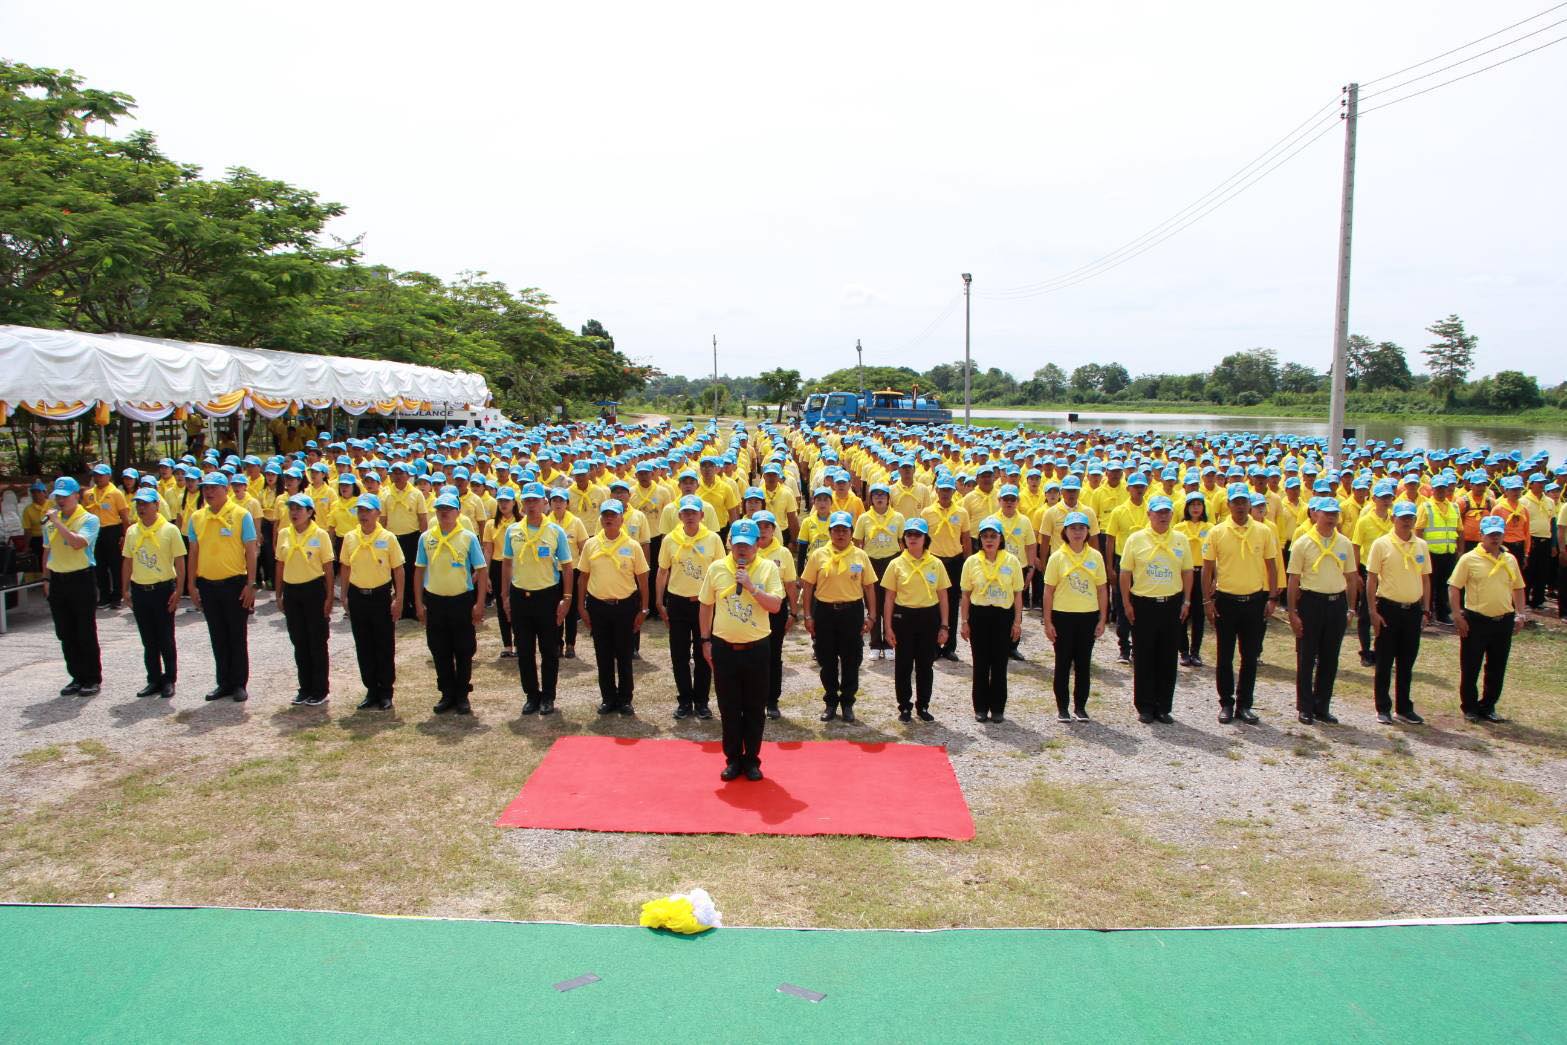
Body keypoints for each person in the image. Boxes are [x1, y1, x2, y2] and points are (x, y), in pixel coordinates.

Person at [699, 518, 785, 781]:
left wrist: (751, 586)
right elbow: (705, 605)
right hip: (724, 648)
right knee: (729, 706)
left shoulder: (768, 568)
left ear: (758, 544)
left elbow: (775, 606)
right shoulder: (716, 568)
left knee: (755, 707)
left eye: (748, 545)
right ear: (730, 543)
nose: (742, 550)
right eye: (738, 544)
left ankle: (752, 761)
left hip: (757, 649)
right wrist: (705, 641)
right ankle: (733, 759)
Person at [1201, 482, 1280, 725]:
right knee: (1225, 656)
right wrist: (1207, 601)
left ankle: (1245, 704)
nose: (1240, 506)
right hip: (1226, 600)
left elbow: (1271, 565)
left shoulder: (1263, 531)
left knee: (1250, 655)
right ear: (1228, 504)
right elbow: (1207, 569)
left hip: (1254, 601)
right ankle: (1226, 702)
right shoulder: (1216, 532)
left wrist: (1273, 597)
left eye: (1244, 502)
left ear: (1249, 504)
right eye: (1235, 502)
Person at [1118, 495, 1193, 725]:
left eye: (1166, 512)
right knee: (1144, 655)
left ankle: (1163, 706)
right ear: (1149, 514)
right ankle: (1145, 705)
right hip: (1144, 604)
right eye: (1158, 512)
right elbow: (1125, 573)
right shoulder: (1136, 539)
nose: (1163, 516)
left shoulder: (1180, 539)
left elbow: (1188, 571)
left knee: (1168, 656)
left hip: (1171, 604)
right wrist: (1127, 603)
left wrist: (1187, 601)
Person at [499, 482, 573, 715]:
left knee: (549, 649)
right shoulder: (513, 531)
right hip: (521, 595)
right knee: (525, 649)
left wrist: (567, 597)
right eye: (527, 500)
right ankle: (531, 694)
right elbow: (507, 563)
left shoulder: (555, 531)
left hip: (547, 596)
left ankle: (548, 696)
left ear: (545, 503)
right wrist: (505, 594)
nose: (531, 505)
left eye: (535, 500)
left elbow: (567, 567)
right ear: (522, 504)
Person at [186, 471, 259, 702]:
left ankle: (239, 683)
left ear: (225, 490)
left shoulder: (241, 515)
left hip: (235, 584)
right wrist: (192, 585)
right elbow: (194, 552)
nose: (208, 492)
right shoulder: (197, 517)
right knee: (217, 634)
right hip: (207, 584)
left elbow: (250, 550)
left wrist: (251, 584)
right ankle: (223, 682)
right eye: (205, 488)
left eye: (213, 488)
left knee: (236, 634)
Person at [415, 491, 488, 715]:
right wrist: (418, 602)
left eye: (448, 508)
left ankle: (462, 693)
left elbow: (481, 571)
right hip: (435, 601)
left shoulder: (468, 537)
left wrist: (479, 603)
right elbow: (419, 571)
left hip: (461, 600)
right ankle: (446, 693)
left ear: (458, 512)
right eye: (440, 509)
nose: (444, 512)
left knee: (464, 649)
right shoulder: (426, 537)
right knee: (439, 648)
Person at [1286, 498, 1358, 725]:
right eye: (1326, 513)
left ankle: (1322, 706)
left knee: (1330, 657)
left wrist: (1351, 608)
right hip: (1311, 602)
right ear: (1316, 515)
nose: (1331, 518)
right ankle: (1305, 706)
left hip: (1336, 603)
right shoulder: (1303, 543)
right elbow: (1293, 579)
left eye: (1334, 514)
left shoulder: (1345, 543)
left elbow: (1351, 577)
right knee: (1307, 656)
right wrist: (1292, 612)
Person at [800, 511, 876, 722]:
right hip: (824, 611)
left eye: (845, 530)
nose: (840, 534)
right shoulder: (819, 555)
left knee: (852, 659)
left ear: (852, 532)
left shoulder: (860, 556)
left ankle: (848, 702)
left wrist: (871, 615)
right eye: (836, 530)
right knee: (827, 659)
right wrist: (807, 616)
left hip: (851, 611)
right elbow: (808, 586)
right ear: (830, 532)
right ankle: (831, 701)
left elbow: (869, 587)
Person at [576, 499, 650, 715]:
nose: (609, 519)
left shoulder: (632, 546)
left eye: (613, 515)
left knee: (625, 654)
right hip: (598, 606)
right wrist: (581, 606)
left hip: (625, 606)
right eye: (605, 515)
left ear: (621, 519)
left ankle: (626, 698)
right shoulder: (591, 544)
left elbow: (643, 580)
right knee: (603, 654)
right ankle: (608, 697)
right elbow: (583, 578)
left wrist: (644, 609)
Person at [1450, 515, 1526, 723]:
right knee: (1471, 665)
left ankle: (1488, 705)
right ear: (1481, 535)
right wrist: (1457, 614)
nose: (1495, 538)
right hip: (1477, 620)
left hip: (1503, 620)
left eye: (1498, 534)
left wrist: (1520, 614)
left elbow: (1518, 587)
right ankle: (1470, 707)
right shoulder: (1469, 559)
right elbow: (1454, 587)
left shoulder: (1510, 559)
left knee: (1497, 666)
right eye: (1491, 534)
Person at [1365, 501, 1433, 725]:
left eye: (1410, 518)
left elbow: (1425, 578)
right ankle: (1382, 707)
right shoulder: (1381, 544)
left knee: (1407, 660)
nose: (1406, 521)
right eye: (1402, 517)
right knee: (1384, 660)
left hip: (1412, 610)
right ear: (1393, 518)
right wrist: (1373, 612)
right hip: (1388, 608)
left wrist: (1425, 609)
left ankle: (1404, 707)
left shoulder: (1421, 545)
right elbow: (1372, 578)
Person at [656, 495, 723, 719]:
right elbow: (663, 571)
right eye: (686, 513)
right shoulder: (670, 540)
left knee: (705, 652)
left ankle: (702, 701)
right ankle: (684, 700)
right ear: (680, 516)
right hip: (677, 603)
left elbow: (722, 572)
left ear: (702, 516)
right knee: (679, 654)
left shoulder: (713, 539)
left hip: (704, 604)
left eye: (694, 512)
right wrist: (658, 601)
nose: (690, 516)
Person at [338, 493, 405, 711]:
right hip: (358, 595)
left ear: (377, 513)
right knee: (363, 644)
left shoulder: (388, 538)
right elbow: (346, 566)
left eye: (367, 510)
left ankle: (386, 691)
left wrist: (399, 599)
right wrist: (344, 594)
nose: (363, 515)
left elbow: (399, 569)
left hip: (380, 596)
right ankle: (371, 690)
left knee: (384, 644)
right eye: (360, 510)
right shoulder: (350, 537)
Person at [881, 517, 951, 722]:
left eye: (917, 534)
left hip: (928, 617)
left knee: (925, 665)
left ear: (925, 538)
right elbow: (889, 598)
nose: (913, 538)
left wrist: (944, 625)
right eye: (909, 534)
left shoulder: (936, 563)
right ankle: (904, 706)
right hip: (903, 617)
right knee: (903, 664)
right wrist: (888, 626)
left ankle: (923, 706)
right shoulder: (895, 564)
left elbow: (943, 596)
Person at [119, 487, 185, 699]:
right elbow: (127, 561)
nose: (141, 508)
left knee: (165, 637)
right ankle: (153, 678)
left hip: (163, 589)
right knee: (148, 639)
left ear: (156, 505)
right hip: (140, 590)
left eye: (146, 504)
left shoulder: (169, 530)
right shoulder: (132, 531)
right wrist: (125, 588)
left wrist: (179, 589)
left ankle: (170, 678)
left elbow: (180, 561)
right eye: (138, 504)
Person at [1042, 511, 1107, 722]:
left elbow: (1102, 589)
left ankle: (1081, 707)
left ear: (1088, 531)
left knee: (1083, 663)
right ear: (1065, 532)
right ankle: (1062, 708)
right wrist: (1048, 621)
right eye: (1073, 528)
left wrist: (1102, 618)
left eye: (1081, 528)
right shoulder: (1057, 557)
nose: (1077, 532)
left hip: (1087, 616)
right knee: (1062, 663)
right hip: (1063, 616)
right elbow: (1048, 591)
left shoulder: (1095, 556)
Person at [41, 477, 103, 696]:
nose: (61, 500)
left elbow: (78, 543)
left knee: (85, 630)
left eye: (65, 496)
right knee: (65, 632)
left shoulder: (89, 519)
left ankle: (92, 678)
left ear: (77, 495)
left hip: (81, 579)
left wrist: (58, 523)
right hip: (58, 580)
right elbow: (47, 550)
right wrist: (46, 579)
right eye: (58, 496)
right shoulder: (51, 521)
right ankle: (76, 676)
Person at [959, 516, 1024, 723]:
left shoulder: (1011, 561)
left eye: (993, 536)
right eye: (985, 536)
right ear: (980, 539)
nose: (989, 540)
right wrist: (965, 621)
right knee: (980, 664)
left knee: (999, 664)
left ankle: (997, 708)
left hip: (1002, 616)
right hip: (979, 615)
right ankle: (980, 707)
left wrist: (1017, 622)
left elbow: (1017, 594)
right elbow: (966, 594)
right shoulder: (972, 561)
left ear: (1001, 539)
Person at [275, 493, 334, 707]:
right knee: (299, 640)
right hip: (292, 590)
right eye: (291, 508)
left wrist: (329, 597)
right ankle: (305, 687)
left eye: (299, 509)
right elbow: (280, 564)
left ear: (310, 512)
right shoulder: (284, 534)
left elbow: (328, 568)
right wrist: (278, 593)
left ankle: (320, 689)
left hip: (314, 590)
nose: (294, 513)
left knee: (317, 641)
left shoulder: (320, 534)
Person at [751, 509, 800, 720]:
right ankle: (753, 700)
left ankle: (772, 701)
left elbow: (790, 584)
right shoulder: (745, 550)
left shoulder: (783, 553)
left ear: (774, 530)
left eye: (767, 526)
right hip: (750, 612)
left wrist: (794, 612)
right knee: (751, 658)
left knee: (773, 656)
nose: (763, 531)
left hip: (775, 611)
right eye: (759, 527)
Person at [922, 475, 971, 662]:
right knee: (933, 604)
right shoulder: (927, 513)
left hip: (955, 561)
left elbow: (966, 538)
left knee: (951, 604)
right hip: (934, 561)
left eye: (948, 490)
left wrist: (966, 562)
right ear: (936, 490)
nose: (945, 493)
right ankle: (933, 645)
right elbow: (924, 539)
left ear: (953, 491)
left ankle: (949, 647)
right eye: (942, 489)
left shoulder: (962, 513)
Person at [853, 483, 904, 660]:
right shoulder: (864, 518)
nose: (880, 498)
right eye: (876, 495)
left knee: (891, 603)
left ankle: (890, 643)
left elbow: (902, 542)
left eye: (883, 495)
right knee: (873, 603)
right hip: (871, 562)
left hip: (892, 562)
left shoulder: (898, 517)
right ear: (871, 499)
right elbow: (857, 542)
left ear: (888, 498)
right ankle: (875, 643)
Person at [383, 462, 428, 618]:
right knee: (397, 571)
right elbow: (383, 518)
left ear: (408, 475)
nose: (397, 475)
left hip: (412, 537)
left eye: (400, 472)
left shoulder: (416, 494)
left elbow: (422, 518)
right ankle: (402, 606)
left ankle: (415, 605)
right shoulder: (386, 494)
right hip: (393, 538)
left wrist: (423, 540)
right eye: (394, 472)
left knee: (412, 571)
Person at [82, 463, 130, 607]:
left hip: (112, 530)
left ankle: (117, 596)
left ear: (109, 476)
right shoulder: (88, 494)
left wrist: (125, 535)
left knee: (115, 565)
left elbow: (124, 516)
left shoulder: (116, 493)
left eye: (101, 475)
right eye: (96, 475)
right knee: (99, 565)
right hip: (95, 531)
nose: (98, 478)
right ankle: (104, 596)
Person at [1415, 473, 1460, 625]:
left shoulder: (1454, 507)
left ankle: (1442, 613)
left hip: (1449, 552)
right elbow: (1419, 530)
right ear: (1432, 490)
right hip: (1431, 552)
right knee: (1430, 583)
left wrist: (1459, 551)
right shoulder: (1426, 506)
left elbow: (1459, 530)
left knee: (1445, 584)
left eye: (1443, 488)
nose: (1441, 491)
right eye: (1438, 488)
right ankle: (1428, 612)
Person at [483, 488, 521, 658]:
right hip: (499, 566)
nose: (504, 504)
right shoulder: (491, 524)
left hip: (518, 565)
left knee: (518, 605)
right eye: (501, 501)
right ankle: (507, 644)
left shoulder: (522, 522)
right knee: (501, 604)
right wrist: (486, 574)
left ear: (514, 502)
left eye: (507, 501)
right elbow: (488, 551)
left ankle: (520, 641)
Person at [1176, 491, 1210, 666]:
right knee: (1182, 612)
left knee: (1199, 614)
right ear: (1186, 508)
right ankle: (1183, 650)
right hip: (1184, 573)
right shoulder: (1178, 528)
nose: (1196, 508)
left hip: (1203, 572)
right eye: (1192, 505)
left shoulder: (1210, 528)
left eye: (1199, 505)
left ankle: (1195, 651)